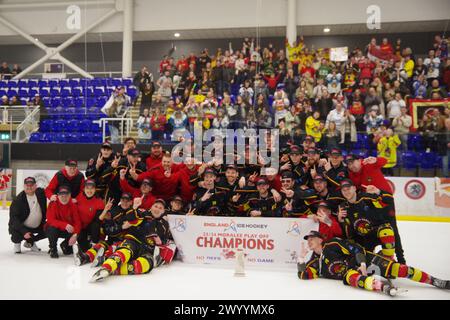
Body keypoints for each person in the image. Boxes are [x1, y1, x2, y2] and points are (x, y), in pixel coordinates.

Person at [297, 231, 450, 296]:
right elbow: (304, 274)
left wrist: (362, 264)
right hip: (351, 272)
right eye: (307, 240)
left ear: (320, 240)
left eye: (312, 238)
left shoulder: (332, 244)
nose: (309, 241)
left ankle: (435, 281)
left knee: (400, 270)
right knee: (351, 278)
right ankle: (384, 288)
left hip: (366, 261)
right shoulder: (315, 262)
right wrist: (301, 259)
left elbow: (356, 248)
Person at [90, 199, 173, 282]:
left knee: (147, 264)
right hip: (133, 241)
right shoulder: (144, 214)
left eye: (160, 208)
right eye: (155, 206)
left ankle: (114, 270)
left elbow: (166, 241)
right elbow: (132, 218)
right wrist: (134, 207)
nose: (157, 209)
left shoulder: (165, 224)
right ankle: (107, 267)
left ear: (163, 211)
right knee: (125, 252)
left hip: (148, 249)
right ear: (151, 207)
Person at [337, 179, 395, 260]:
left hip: (376, 233)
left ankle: (388, 258)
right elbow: (347, 232)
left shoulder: (366, 197)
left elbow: (389, 201)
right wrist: (341, 221)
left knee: (386, 231)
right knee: (364, 261)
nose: (346, 192)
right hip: (362, 239)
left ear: (354, 188)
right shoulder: (343, 207)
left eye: (348, 189)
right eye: (344, 190)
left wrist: (378, 192)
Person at [9, 177, 47, 254]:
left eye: (31, 185)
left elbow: (53, 189)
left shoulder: (41, 193)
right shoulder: (18, 200)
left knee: (50, 229)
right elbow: (14, 219)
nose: (29, 187)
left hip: (38, 226)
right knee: (16, 234)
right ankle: (17, 243)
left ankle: (31, 241)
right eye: (27, 185)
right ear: (24, 186)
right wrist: (24, 231)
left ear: (36, 186)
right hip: (22, 227)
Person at [46, 185, 81, 258]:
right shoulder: (53, 204)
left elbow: (77, 222)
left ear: (70, 195)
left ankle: (65, 244)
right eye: (62, 195)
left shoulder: (73, 206)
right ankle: (53, 248)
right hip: (56, 229)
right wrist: (65, 225)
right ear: (58, 195)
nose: (64, 197)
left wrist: (75, 235)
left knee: (68, 251)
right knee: (51, 228)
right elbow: (50, 220)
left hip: (68, 230)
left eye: (66, 195)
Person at [75, 179, 105, 252]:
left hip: (92, 228)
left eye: (92, 188)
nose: (89, 191)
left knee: (95, 225)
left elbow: (98, 220)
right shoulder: (79, 197)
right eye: (87, 188)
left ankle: (94, 244)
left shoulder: (99, 201)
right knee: (84, 248)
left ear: (95, 189)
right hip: (81, 227)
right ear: (83, 189)